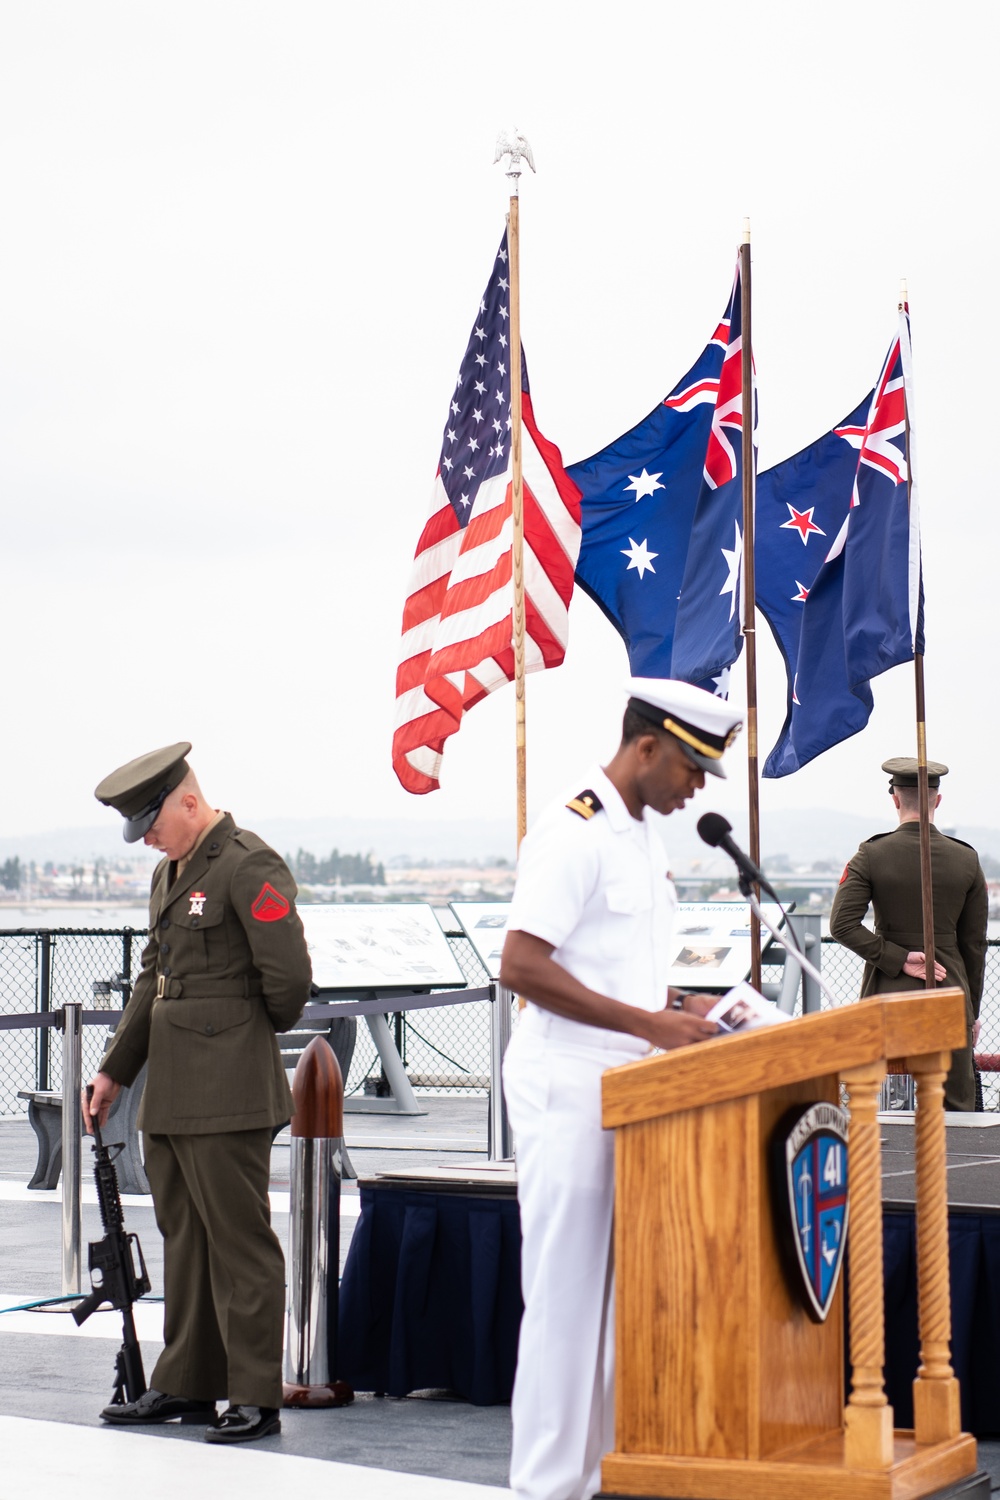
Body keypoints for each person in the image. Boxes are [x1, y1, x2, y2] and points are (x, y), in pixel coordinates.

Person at [499, 678, 742, 1500]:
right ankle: (545, 1486)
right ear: (646, 747)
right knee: (566, 1298)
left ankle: (597, 1477)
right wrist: (650, 1024)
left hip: (627, 1083)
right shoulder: (576, 832)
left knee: (615, 1301)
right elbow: (521, 966)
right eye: (691, 766)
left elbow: (614, 966)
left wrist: (683, 1007)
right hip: (567, 1079)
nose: (697, 786)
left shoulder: (640, 836)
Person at [84, 742, 312, 1443]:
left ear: (189, 802)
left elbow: (289, 984)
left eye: (152, 824)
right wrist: (116, 1069)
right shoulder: (170, 872)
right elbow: (154, 978)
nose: (147, 839)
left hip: (229, 1088)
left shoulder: (247, 864)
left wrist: (235, 1037)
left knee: (240, 1243)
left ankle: (253, 1394)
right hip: (174, 1092)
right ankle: (186, 1382)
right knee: (184, 1240)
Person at [829, 756, 987, 1111]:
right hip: (949, 995)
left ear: (895, 799)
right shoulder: (967, 859)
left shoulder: (871, 854)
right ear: (937, 800)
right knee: (954, 1112)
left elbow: (842, 925)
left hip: (886, 998)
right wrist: (970, 1012)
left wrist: (897, 959)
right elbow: (974, 946)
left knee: (878, 1108)